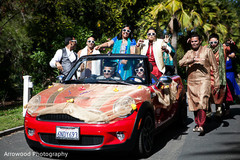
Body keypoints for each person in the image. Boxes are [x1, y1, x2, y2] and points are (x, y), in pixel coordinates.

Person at [179, 32, 219, 134]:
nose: (194, 43)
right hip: (191, 81)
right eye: (192, 41)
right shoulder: (189, 53)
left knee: (202, 101)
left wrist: (217, 82)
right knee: (194, 103)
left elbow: (215, 67)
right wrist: (191, 60)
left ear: (200, 41)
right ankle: (197, 124)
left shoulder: (207, 51)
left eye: (196, 41)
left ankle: (201, 125)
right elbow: (180, 63)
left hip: (204, 80)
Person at [207, 33, 232, 117]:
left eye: (215, 42)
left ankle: (219, 110)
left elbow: (232, 50)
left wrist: (231, 43)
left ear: (218, 41)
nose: (213, 44)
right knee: (209, 93)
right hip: (209, 75)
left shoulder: (224, 48)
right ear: (209, 42)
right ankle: (208, 111)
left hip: (220, 75)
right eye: (211, 42)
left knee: (220, 92)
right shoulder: (206, 49)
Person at [225, 39, 240, 114]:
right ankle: (221, 107)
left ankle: (227, 107)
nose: (227, 47)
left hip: (230, 75)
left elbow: (234, 54)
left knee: (229, 91)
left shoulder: (232, 54)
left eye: (228, 46)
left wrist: (233, 44)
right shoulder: (221, 55)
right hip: (222, 74)